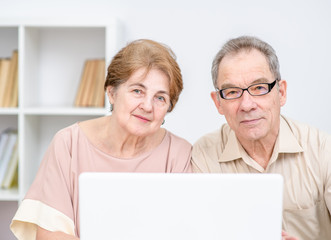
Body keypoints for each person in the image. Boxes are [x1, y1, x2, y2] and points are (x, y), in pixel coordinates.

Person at [10, 39, 192, 240]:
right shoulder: (69, 143)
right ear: (111, 92)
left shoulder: (179, 153)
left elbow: (183, 231)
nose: (148, 106)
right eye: (137, 91)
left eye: (160, 98)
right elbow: (51, 235)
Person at [191, 36, 331, 240]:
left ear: (281, 93)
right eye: (232, 92)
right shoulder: (203, 155)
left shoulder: (323, 150)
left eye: (259, 88)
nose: (247, 105)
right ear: (218, 102)